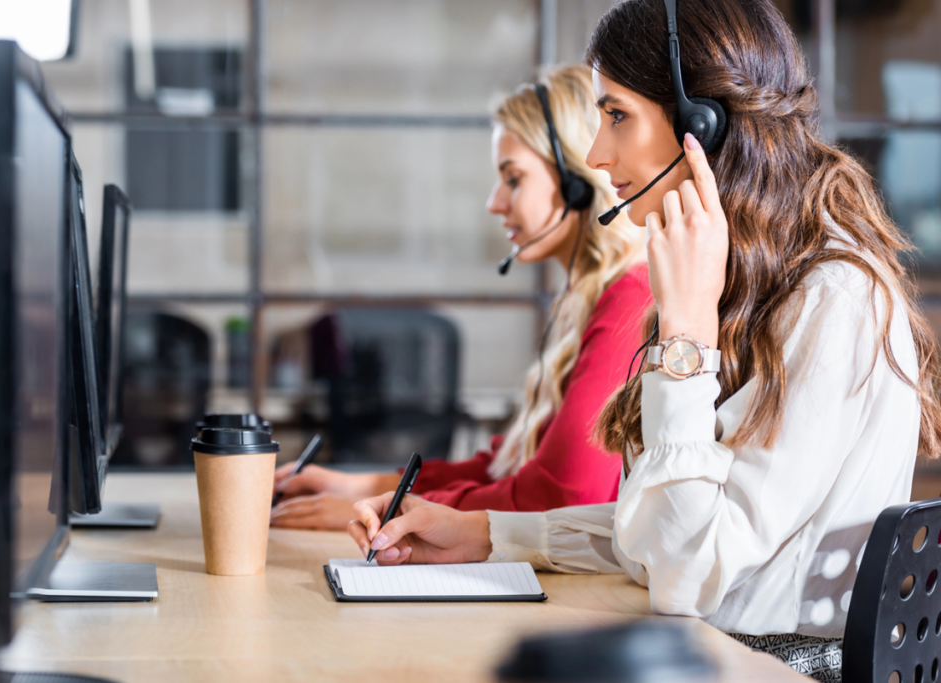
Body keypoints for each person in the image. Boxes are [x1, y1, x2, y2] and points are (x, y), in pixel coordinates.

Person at [345, 0, 941, 679]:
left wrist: (684, 338)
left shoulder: (834, 301)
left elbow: (688, 571)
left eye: (617, 115)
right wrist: (487, 535)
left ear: (703, 125)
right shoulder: (739, 277)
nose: (598, 155)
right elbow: (663, 532)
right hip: (723, 654)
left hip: (776, 666)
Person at [270, 64, 651, 530]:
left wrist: (394, 509)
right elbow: (502, 470)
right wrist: (363, 488)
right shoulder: (586, 299)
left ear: (576, 183)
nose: (495, 202)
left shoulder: (631, 298)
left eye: (513, 179)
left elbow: (561, 494)